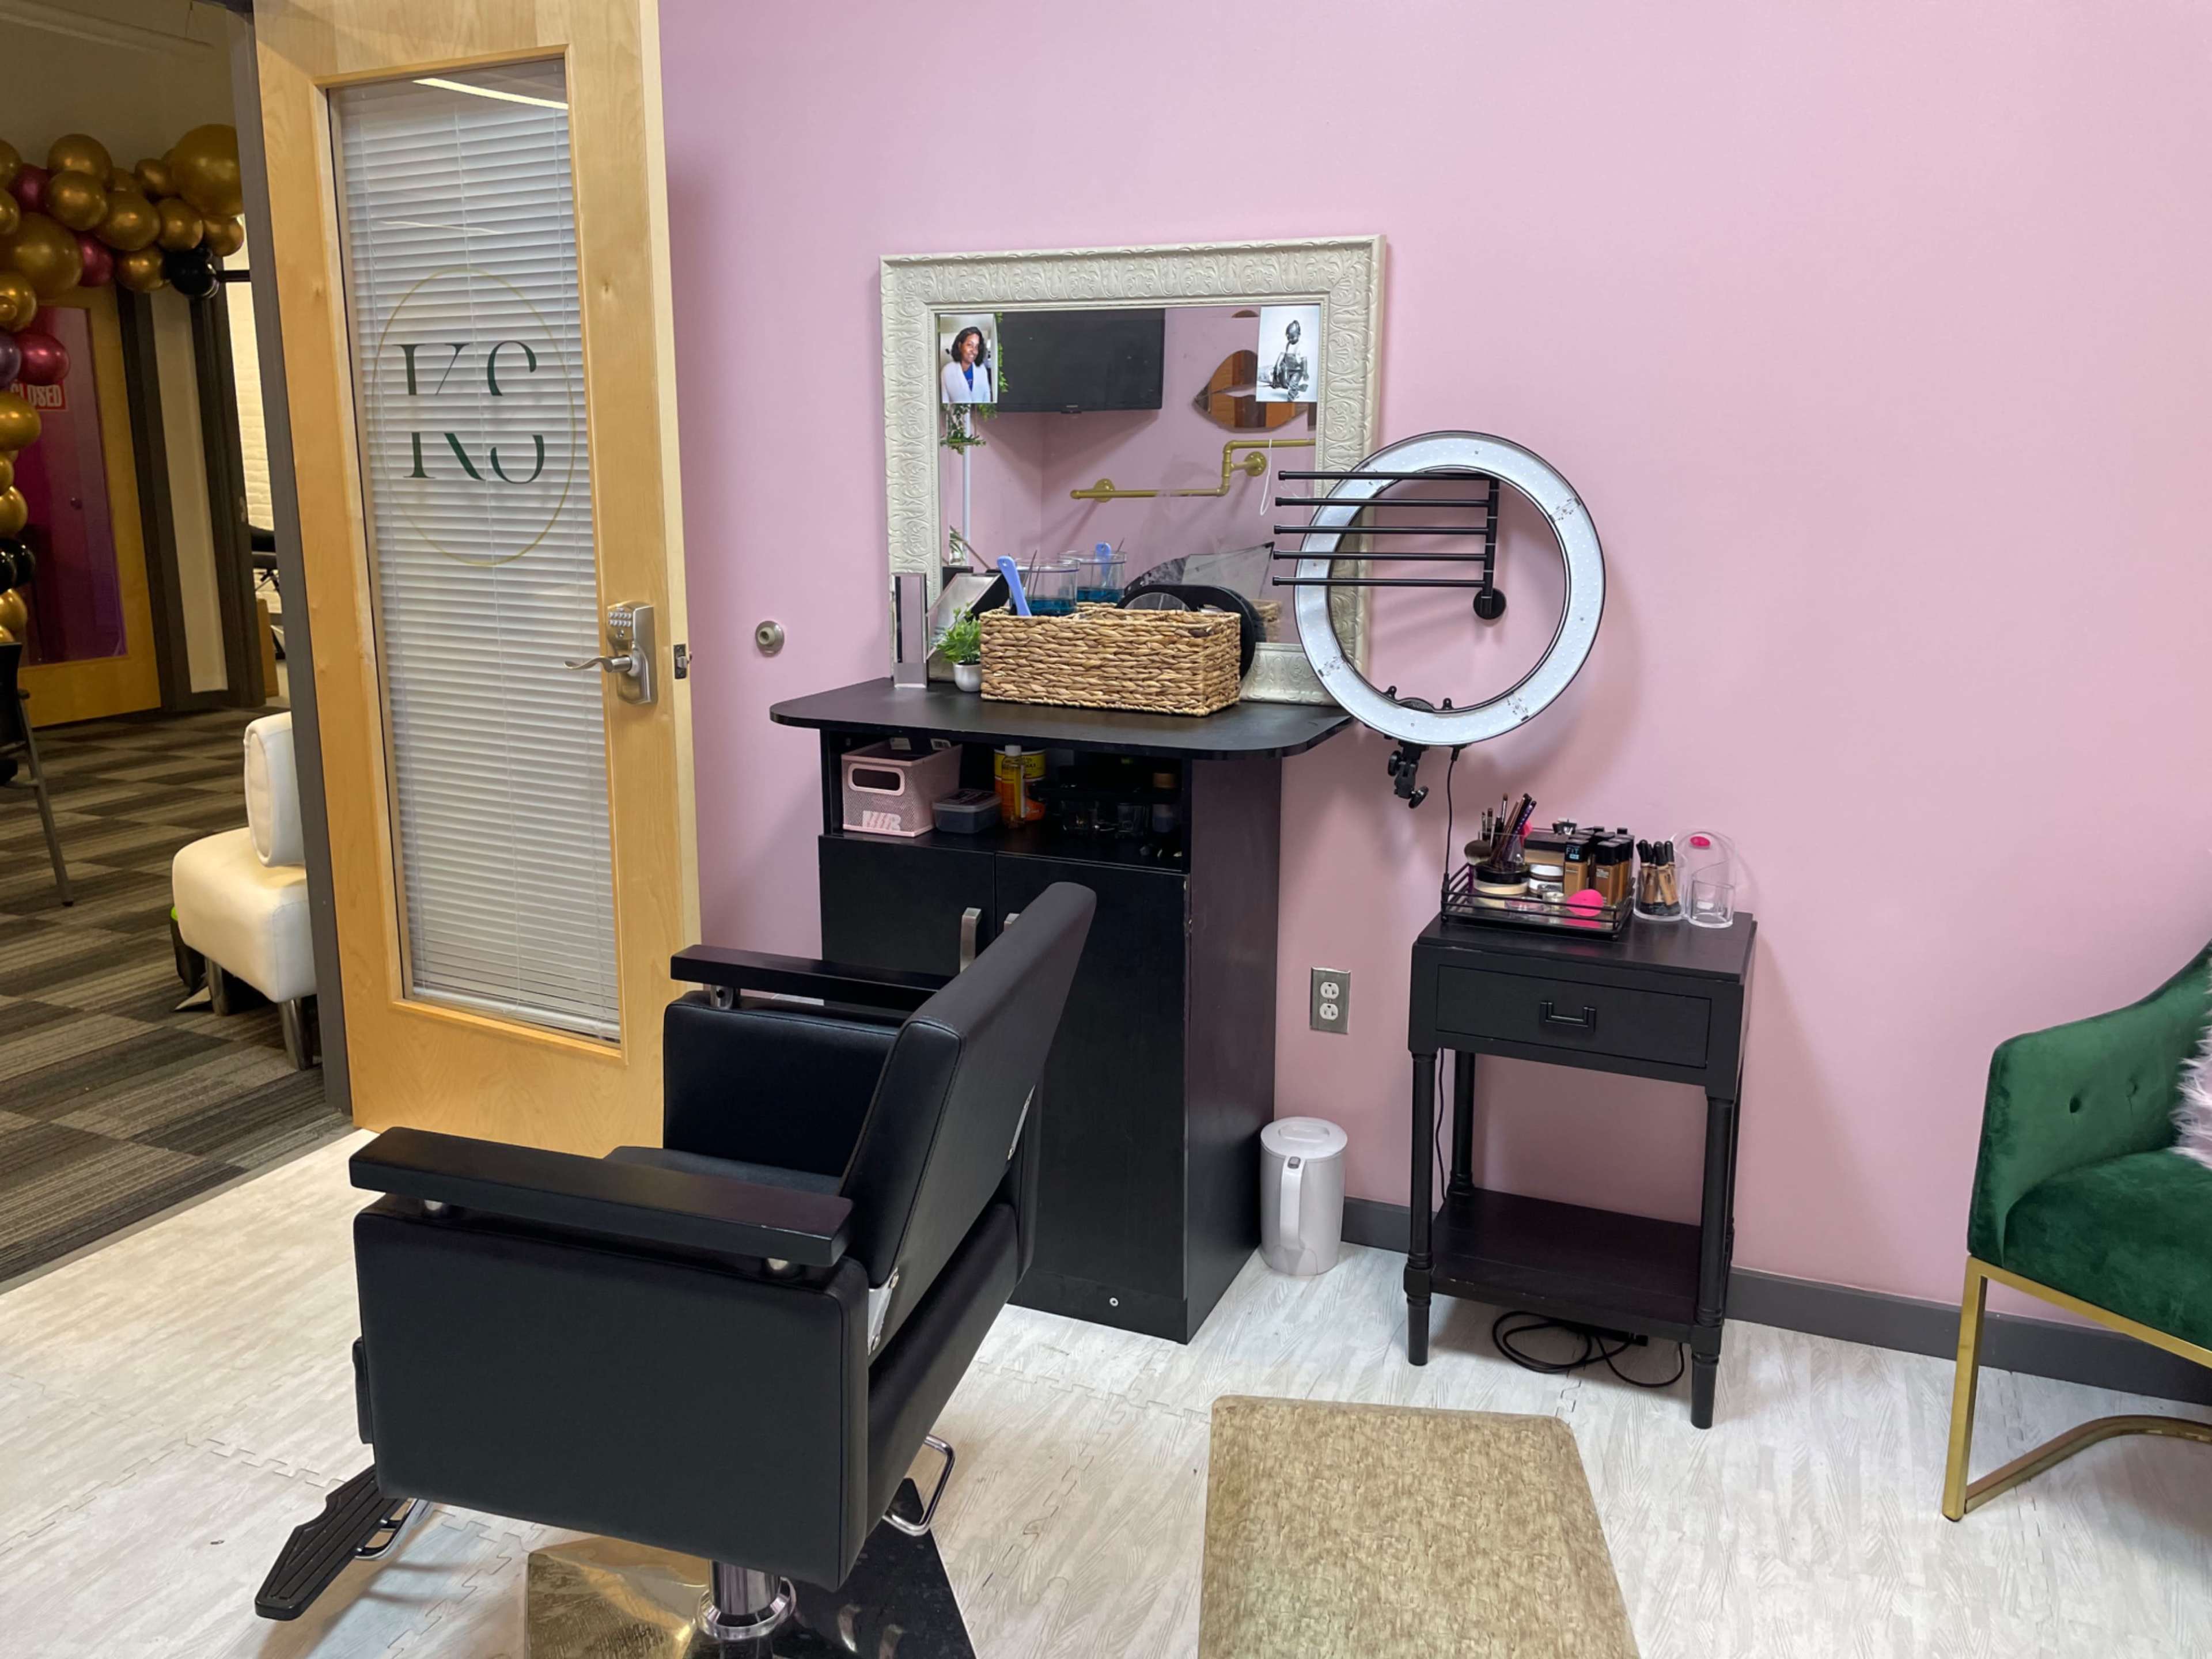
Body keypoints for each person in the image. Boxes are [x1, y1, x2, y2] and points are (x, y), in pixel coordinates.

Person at [942, 325, 993, 404]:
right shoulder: (947, 371)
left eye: (977, 347)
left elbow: (987, 395)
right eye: (970, 345)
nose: (974, 351)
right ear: (960, 346)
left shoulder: (982, 369)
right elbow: (945, 401)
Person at [1266, 317, 1310, 402]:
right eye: (1288, 337)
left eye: (1293, 337)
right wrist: (1277, 365)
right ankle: (1297, 390)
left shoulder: (1301, 346)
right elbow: (1282, 355)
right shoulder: (1288, 345)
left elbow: (1304, 360)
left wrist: (1305, 372)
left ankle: (1291, 398)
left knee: (1293, 384)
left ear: (1299, 335)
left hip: (1298, 371)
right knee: (1288, 383)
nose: (1290, 339)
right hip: (1289, 370)